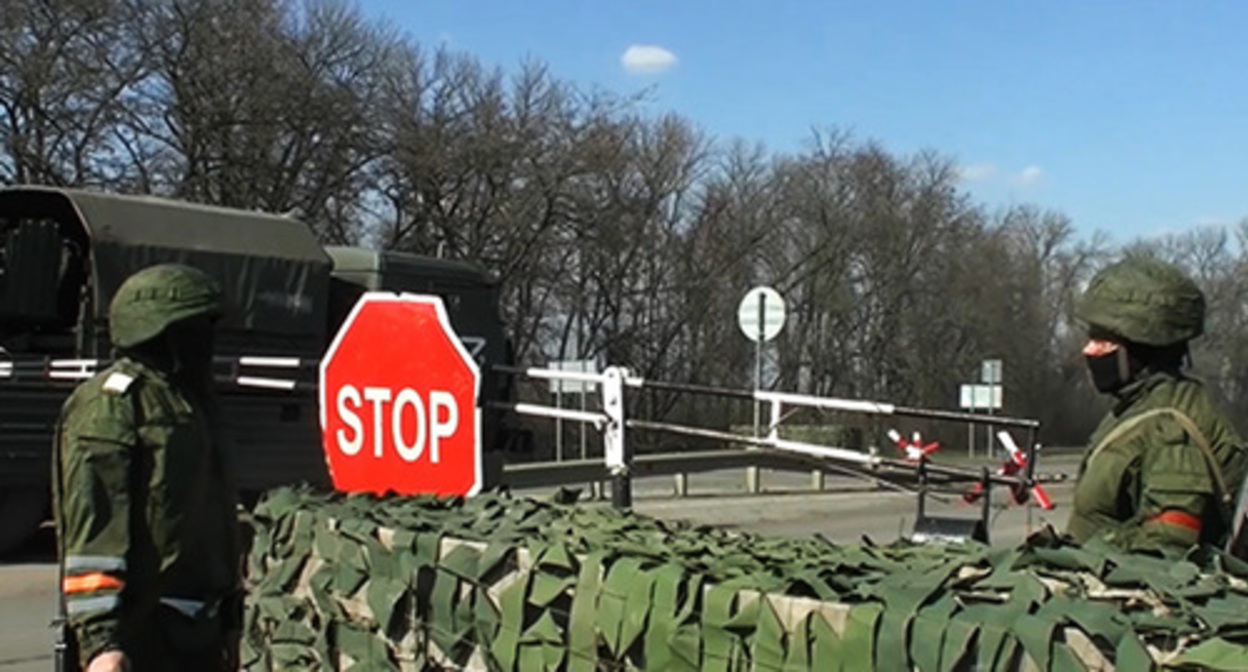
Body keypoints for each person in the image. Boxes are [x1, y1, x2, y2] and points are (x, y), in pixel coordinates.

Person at [52, 263, 243, 672]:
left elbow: (214, 523)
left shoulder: (193, 402)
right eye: (196, 328)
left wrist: (229, 621)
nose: (207, 341)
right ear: (158, 331)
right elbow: (94, 526)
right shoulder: (112, 406)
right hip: (142, 634)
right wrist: (102, 642)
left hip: (198, 629)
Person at [1066, 256, 1248, 554]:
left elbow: (1164, 552)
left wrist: (1086, 549)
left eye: (1103, 341)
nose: (1089, 350)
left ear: (1140, 346)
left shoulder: (1171, 429)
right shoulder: (1137, 408)